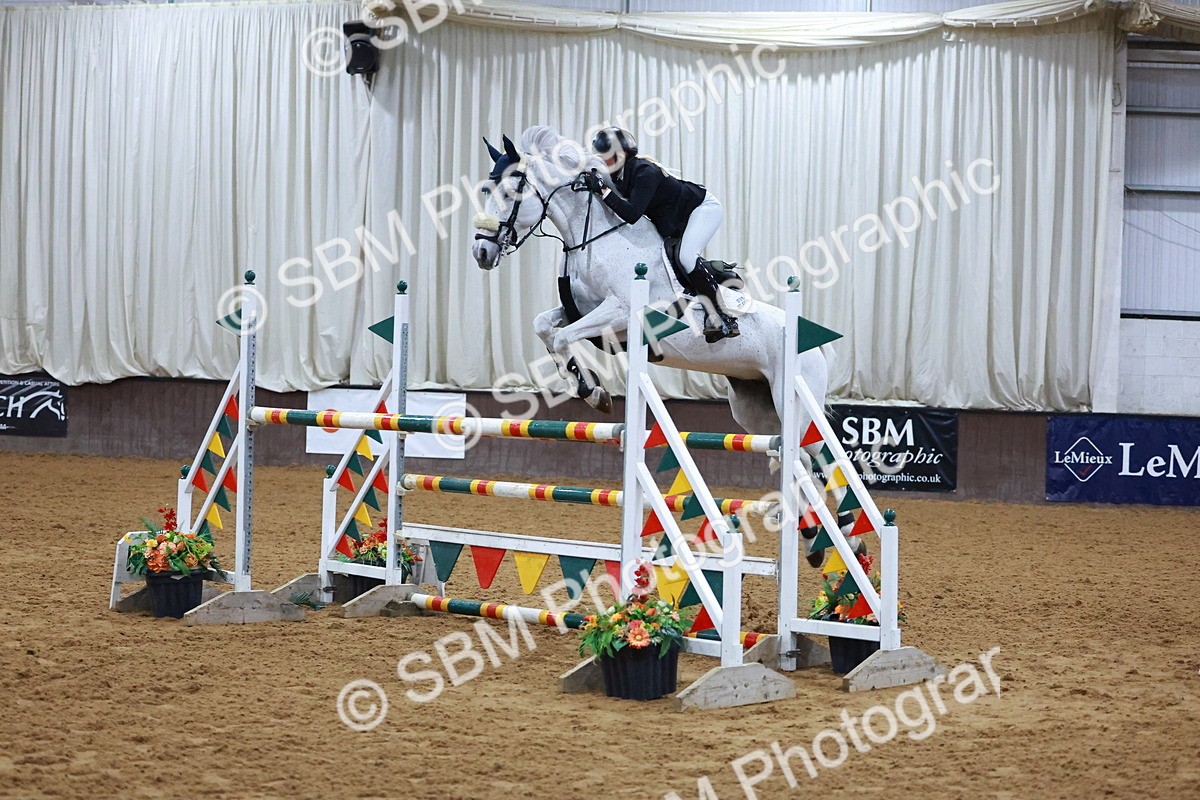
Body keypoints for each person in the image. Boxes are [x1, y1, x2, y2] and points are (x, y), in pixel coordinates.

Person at [583, 127, 738, 342]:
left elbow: (632, 214)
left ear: (621, 155)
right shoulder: (618, 175)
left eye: (605, 157)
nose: (602, 162)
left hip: (702, 209)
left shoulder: (645, 172)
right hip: (674, 219)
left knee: (686, 256)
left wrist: (603, 191)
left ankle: (722, 316)